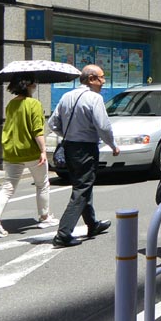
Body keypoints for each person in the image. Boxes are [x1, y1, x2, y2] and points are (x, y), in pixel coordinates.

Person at [48, 65, 118, 248]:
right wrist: (112, 145)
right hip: (86, 148)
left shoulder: (66, 96)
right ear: (92, 79)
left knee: (82, 184)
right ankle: (63, 233)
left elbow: (52, 123)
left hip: (70, 147)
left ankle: (92, 224)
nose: (103, 81)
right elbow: (103, 126)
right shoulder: (95, 98)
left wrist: (68, 134)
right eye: (102, 77)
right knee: (82, 188)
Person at [0, 74, 58, 237]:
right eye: (34, 83)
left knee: (8, 187)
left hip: (11, 151)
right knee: (42, 184)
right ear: (29, 85)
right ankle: (44, 217)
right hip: (31, 151)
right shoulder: (34, 104)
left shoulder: (11, 104)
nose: (35, 86)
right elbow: (38, 130)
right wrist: (43, 150)